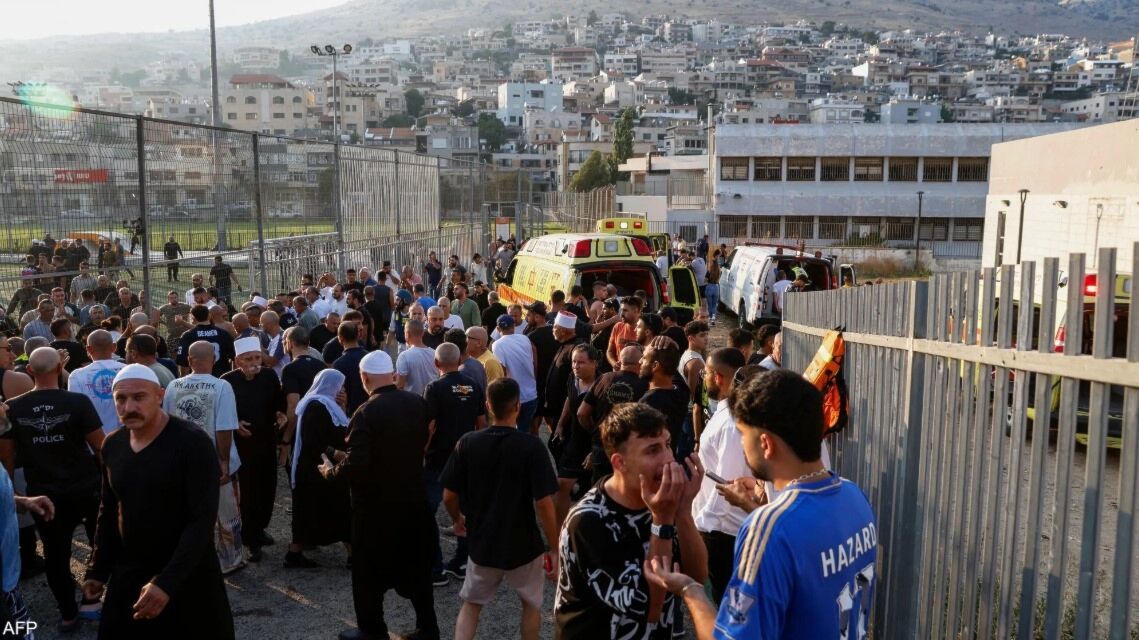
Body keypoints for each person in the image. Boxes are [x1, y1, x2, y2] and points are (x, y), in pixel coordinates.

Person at [644, 370, 878, 640]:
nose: (742, 445)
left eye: (743, 435)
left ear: (765, 444)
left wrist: (690, 590)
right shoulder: (853, 495)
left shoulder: (767, 527)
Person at [82, 364, 234, 639]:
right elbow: (109, 509)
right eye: (121, 399)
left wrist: (167, 582)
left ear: (160, 395)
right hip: (132, 569)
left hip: (188, 573)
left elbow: (201, 519)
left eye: (139, 397)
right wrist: (98, 568)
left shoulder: (192, 443)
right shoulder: (113, 445)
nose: (129, 406)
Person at [555, 403, 708, 639]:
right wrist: (663, 520)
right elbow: (649, 610)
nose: (669, 459)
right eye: (652, 450)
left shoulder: (661, 501)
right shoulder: (588, 522)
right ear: (619, 463)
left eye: (667, 445)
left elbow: (696, 577)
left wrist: (684, 511)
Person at [317, 350, 440, 640]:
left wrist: (330, 472)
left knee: (368, 574)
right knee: (418, 570)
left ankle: (373, 631)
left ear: (364, 378)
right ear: (393, 376)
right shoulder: (417, 403)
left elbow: (358, 465)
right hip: (413, 502)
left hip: (375, 509)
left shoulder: (366, 413)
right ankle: (428, 628)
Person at [442, 378, 558, 640]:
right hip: (523, 543)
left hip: (483, 540)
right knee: (531, 604)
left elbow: (449, 495)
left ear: (487, 406)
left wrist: (458, 519)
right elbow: (543, 503)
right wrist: (553, 545)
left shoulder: (468, 442)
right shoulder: (531, 446)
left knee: (471, 605)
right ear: (518, 406)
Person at [0, 347, 105, 633]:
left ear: (30, 371)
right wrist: (112, 483)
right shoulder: (77, 401)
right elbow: (100, 447)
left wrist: (10, 495)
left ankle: (68, 613)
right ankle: (91, 600)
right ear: (60, 368)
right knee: (100, 546)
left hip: (44, 494)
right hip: (86, 488)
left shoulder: (13, 406)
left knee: (56, 555)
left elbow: (6, 456)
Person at [163, 341, 245, 575]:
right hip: (213, 460)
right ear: (214, 360)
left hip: (183, 460)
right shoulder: (221, 386)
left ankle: (192, 559)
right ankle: (229, 559)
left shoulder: (173, 386)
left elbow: (167, 423)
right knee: (224, 512)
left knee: (190, 512)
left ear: (189, 361)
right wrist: (224, 462)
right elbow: (225, 427)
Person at [423, 343, 486, 584]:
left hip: (439, 457)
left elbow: (430, 426)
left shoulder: (434, 388)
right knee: (465, 510)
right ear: (460, 359)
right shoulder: (474, 385)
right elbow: (482, 423)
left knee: (428, 510)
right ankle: (462, 561)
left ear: (436, 363)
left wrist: (422, 451)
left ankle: (435, 568)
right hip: (467, 456)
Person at [690, 349, 748, 603]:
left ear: (719, 377)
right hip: (721, 529)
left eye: (706, 373)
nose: (703, 378)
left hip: (723, 532)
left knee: (724, 604)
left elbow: (727, 484)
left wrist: (702, 524)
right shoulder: (726, 414)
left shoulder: (731, 423)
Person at [222, 337, 285, 563]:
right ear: (238, 360)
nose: (254, 363)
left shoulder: (269, 376)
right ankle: (250, 540)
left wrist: (280, 413)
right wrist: (235, 423)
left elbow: (278, 402)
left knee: (267, 487)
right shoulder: (227, 381)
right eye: (248, 359)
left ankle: (259, 528)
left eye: (257, 357)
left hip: (266, 439)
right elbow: (223, 412)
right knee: (247, 492)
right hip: (243, 445)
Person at [287, 369, 352, 568]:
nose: (341, 390)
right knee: (327, 510)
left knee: (326, 510)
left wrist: (344, 404)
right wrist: (335, 454)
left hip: (324, 469)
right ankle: (352, 553)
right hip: (316, 469)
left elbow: (342, 429)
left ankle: (295, 553)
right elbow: (312, 441)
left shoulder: (330, 405)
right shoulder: (316, 405)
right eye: (339, 386)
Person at [577, 344, 647, 483]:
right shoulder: (644, 385)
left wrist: (595, 431)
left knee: (601, 490)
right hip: (629, 449)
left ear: (621, 361)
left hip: (602, 445)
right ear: (640, 362)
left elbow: (581, 413)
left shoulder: (605, 378)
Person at [551, 343, 601, 527]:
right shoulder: (573, 377)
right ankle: (559, 533)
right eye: (573, 362)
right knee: (562, 484)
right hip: (573, 440)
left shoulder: (602, 386)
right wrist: (561, 424)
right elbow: (569, 398)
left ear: (594, 363)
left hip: (593, 444)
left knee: (592, 492)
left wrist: (596, 449)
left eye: (581, 362)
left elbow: (606, 423)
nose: (576, 366)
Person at [68, 329, 127, 433]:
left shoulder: (76, 376)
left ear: (88, 349)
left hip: (92, 442)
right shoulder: (128, 371)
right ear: (114, 347)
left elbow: (75, 411)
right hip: (127, 438)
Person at [639, 336, 687, 455]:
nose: (640, 361)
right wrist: (673, 348)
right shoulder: (682, 392)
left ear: (655, 365)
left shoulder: (648, 403)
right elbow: (672, 367)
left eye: (644, 358)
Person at [490, 315, 538, 433]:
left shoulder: (497, 345)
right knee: (527, 432)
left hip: (513, 398)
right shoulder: (525, 339)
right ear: (513, 327)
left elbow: (502, 372)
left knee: (512, 434)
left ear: (497, 328)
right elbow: (534, 361)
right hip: (531, 395)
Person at [176, 304, 235, 377]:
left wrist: (184, 380)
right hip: (221, 378)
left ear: (193, 318)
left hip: (198, 380)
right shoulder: (223, 333)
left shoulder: (187, 335)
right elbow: (235, 357)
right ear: (209, 316)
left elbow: (183, 362)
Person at [679, 320, 710, 457]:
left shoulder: (688, 355)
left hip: (687, 414)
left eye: (707, 335)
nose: (706, 339)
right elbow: (697, 398)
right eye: (702, 335)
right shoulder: (696, 363)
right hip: (692, 417)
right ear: (691, 338)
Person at [332, 321, 370, 415]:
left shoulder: (338, 364)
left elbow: (338, 395)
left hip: (352, 413)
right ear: (358, 335)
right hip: (371, 408)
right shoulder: (369, 357)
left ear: (340, 338)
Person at [395, 320, 439, 397]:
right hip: (432, 399)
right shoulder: (435, 353)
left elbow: (400, 385)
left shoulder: (404, 356)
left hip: (412, 402)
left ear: (407, 334)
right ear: (423, 333)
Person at [606, 295, 643, 370]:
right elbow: (609, 351)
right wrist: (614, 364)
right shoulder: (618, 327)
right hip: (619, 374)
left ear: (637, 311)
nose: (621, 314)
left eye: (625, 310)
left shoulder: (645, 329)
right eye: (621, 310)